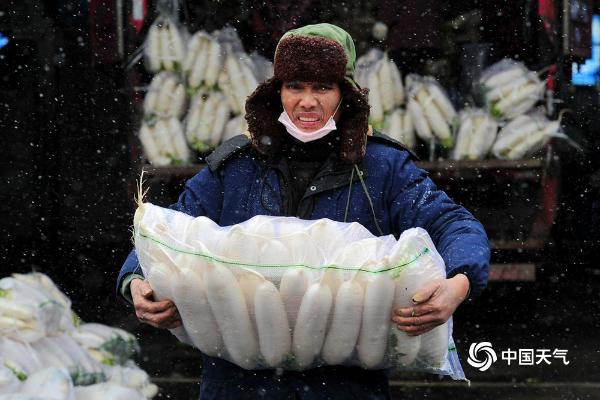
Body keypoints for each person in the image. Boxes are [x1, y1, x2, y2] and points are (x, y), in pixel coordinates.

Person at [117, 23, 490, 399]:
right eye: (295, 86)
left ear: (346, 96)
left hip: (344, 386)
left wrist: (459, 283)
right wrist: (136, 279)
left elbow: (453, 223)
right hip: (239, 385)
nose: (307, 101)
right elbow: (171, 229)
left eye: (322, 88)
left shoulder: (381, 167)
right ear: (277, 92)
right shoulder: (236, 167)